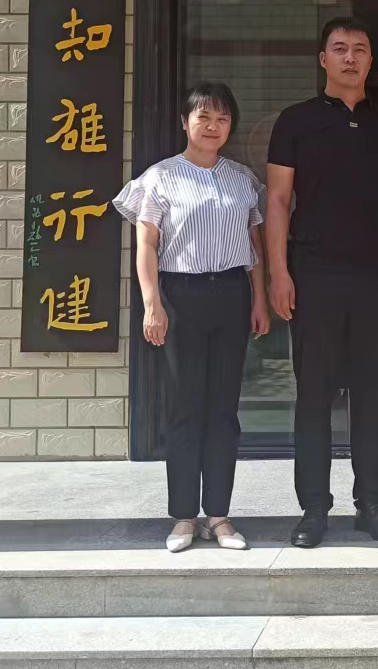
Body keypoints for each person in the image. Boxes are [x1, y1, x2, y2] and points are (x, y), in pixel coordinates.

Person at [266, 17, 378, 548]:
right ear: (323, 59)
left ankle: (372, 503)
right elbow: (278, 201)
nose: (350, 58)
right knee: (314, 395)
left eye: (359, 49)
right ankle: (313, 508)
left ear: (371, 60)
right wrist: (279, 272)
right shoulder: (296, 122)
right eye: (339, 49)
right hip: (314, 276)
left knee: (374, 396)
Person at [113, 82, 270, 553]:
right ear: (185, 122)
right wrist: (152, 303)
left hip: (231, 294)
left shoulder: (242, 179)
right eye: (204, 117)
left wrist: (259, 299)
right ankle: (184, 516)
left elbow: (255, 247)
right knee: (185, 406)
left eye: (222, 118)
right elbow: (146, 246)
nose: (213, 126)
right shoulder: (159, 177)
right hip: (179, 295)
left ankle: (219, 516)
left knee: (223, 408)